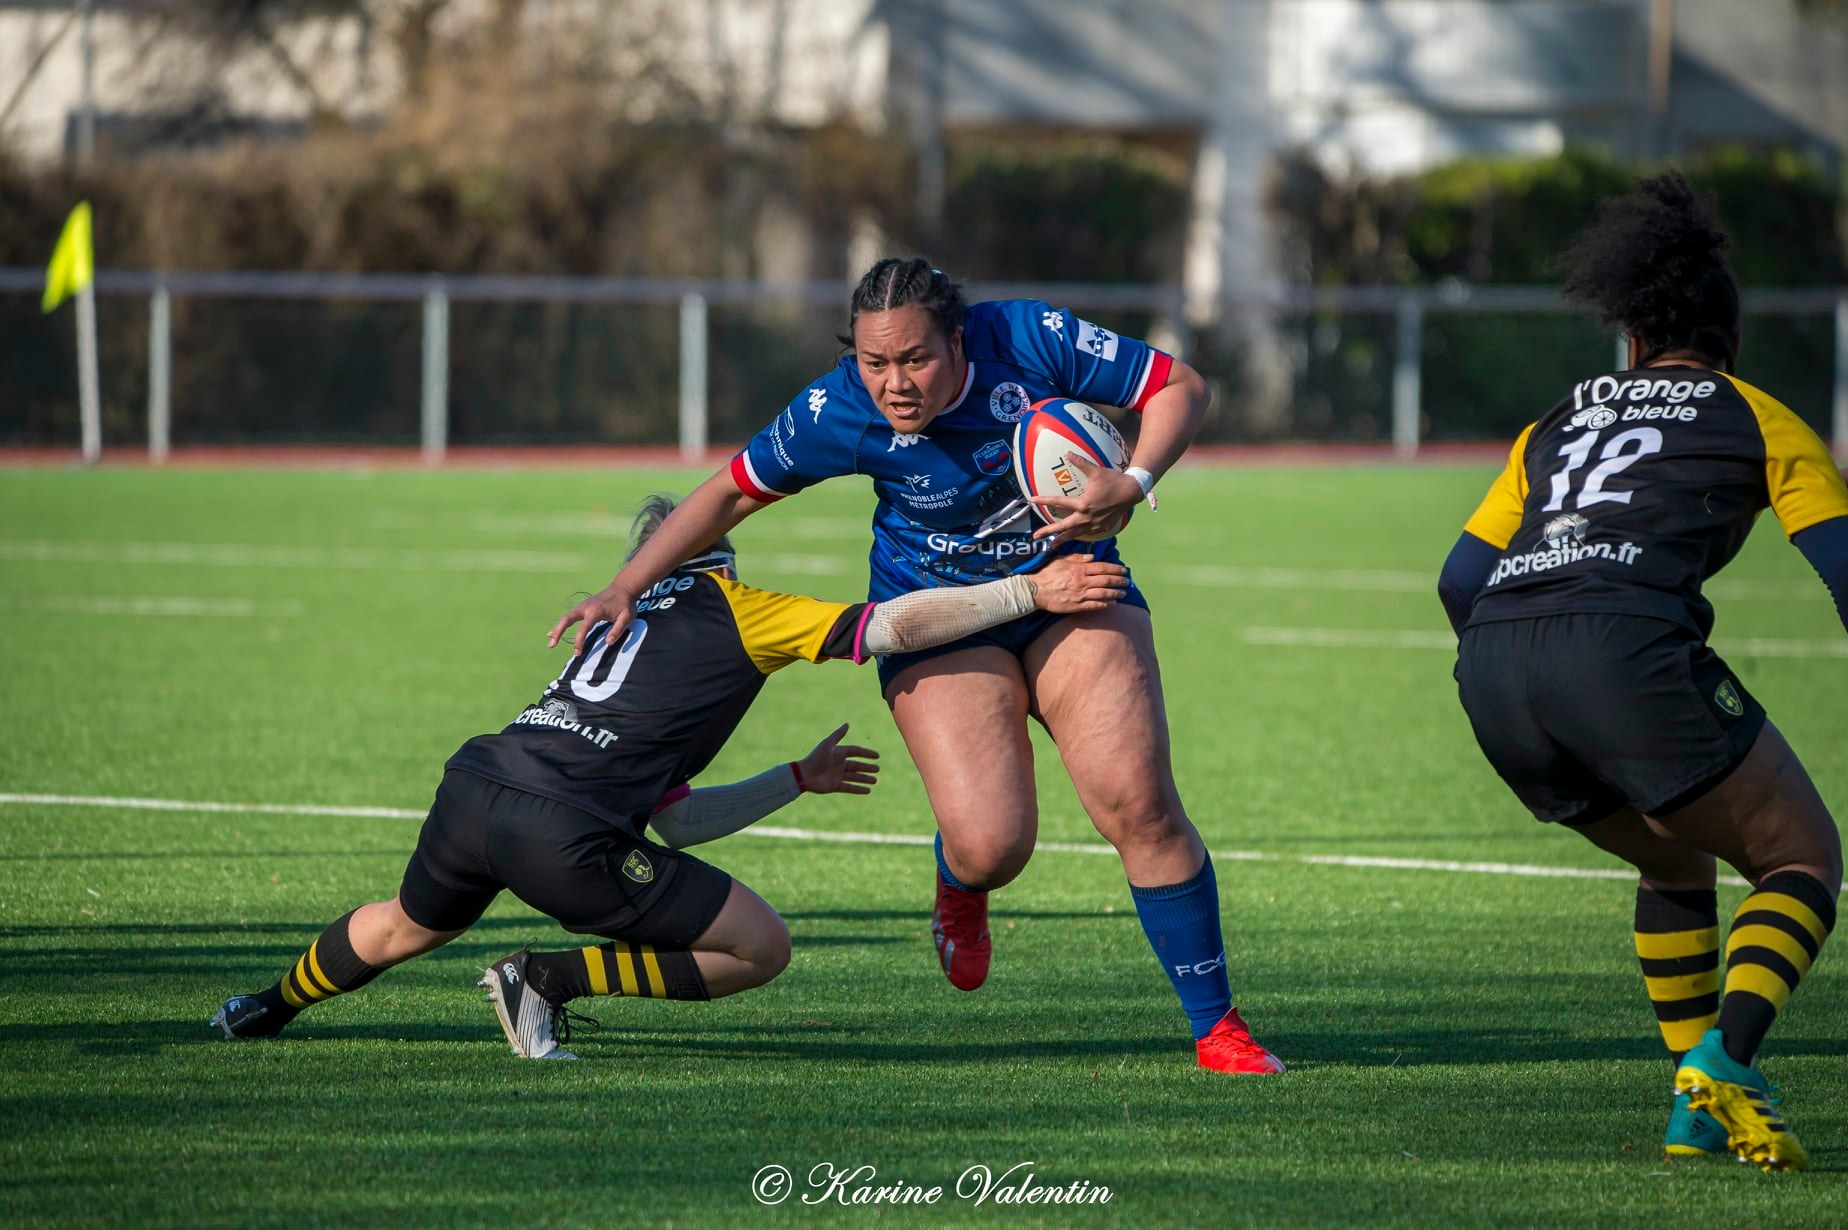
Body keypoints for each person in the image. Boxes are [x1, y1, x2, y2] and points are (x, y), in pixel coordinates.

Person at [549, 258, 1285, 1074]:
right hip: (942, 620)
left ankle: (1218, 1029)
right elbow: (728, 493)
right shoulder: (836, 408)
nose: (895, 384)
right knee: (993, 847)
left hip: (1077, 589)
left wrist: (1131, 479)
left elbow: (1179, 385)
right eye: (876, 363)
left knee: (1139, 804)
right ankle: (958, 883)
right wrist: (623, 586)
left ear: (960, 341)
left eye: (916, 360)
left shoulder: (1028, 337)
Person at [212, 495, 1129, 1059]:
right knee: (761, 948)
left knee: (403, 926)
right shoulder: (741, 608)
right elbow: (891, 626)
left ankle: (263, 1007)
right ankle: (544, 981)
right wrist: (1025, 595)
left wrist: (793, 779)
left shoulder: (618, 618)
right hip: (562, 831)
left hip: (475, 788)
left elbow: (680, 826)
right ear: (717, 549)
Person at [1438, 171, 1848, 1170]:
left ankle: (1693, 1109)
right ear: (1730, 347)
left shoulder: (1556, 423)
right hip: (1620, 655)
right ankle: (1727, 1060)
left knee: (1673, 859)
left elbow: (1459, 578)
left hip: (1493, 670)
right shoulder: (1757, 414)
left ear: (1631, 343)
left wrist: (1530, 658)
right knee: (1802, 860)